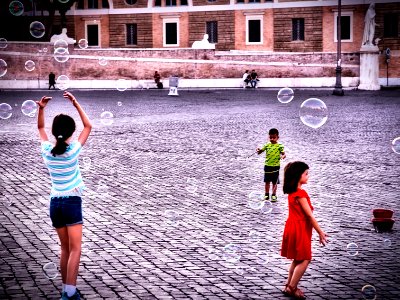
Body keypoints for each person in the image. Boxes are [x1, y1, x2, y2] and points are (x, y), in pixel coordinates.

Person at [36, 92, 92, 300]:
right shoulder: (73, 151)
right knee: (76, 249)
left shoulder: (47, 150)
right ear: (70, 132)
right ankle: (69, 293)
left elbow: (40, 128)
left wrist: (41, 109)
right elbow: (88, 127)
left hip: (55, 204)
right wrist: (76, 103)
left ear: (54, 131)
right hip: (71, 202)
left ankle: (65, 290)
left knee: (65, 248)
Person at [280, 161, 328, 299]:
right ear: (297, 175)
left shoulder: (292, 192)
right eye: (306, 174)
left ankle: (288, 285)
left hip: (292, 227)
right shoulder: (301, 193)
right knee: (305, 258)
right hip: (300, 229)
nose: (308, 176)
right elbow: (309, 215)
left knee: (297, 259)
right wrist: (320, 231)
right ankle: (292, 288)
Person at [256, 128, 285, 202]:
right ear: (268, 137)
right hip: (267, 166)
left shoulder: (280, 146)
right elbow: (260, 152)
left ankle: (274, 195)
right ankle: (266, 194)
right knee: (267, 181)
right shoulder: (267, 145)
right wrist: (258, 150)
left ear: (277, 137)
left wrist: (283, 156)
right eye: (270, 137)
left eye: (274, 137)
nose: (272, 139)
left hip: (276, 166)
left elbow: (283, 154)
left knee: (274, 182)